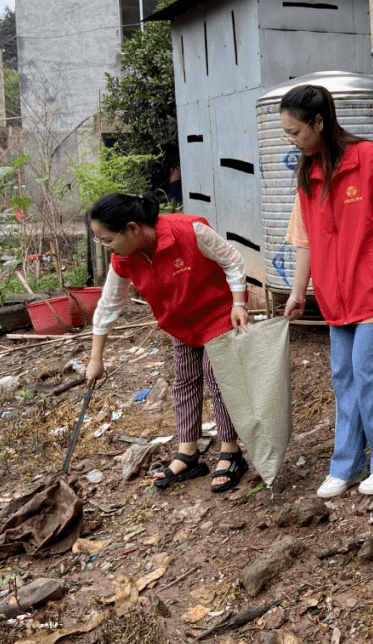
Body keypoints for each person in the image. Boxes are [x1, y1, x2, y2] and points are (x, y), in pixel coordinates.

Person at [280, 84, 373, 499]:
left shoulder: (368, 159)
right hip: (335, 299)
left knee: (370, 375)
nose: (291, 140)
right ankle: (346, 465)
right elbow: (305, 241)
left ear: (319, 122)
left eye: (295, 133)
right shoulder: (307, 176)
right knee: (344, 378)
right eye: (286, 135)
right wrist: (297, 293)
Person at [85, 193, 250, 493]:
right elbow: (109, 304)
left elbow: (232, 259)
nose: (105, 246)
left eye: (107, 239)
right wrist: (96, 358)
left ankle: (231, 450)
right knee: (184, 381)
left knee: (217, 380)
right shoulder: (123, 258)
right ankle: (188, 453)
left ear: (133, 229)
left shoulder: (188, 231)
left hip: (216, 314)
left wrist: (239, 302)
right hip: (180, 324)